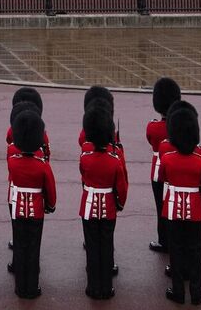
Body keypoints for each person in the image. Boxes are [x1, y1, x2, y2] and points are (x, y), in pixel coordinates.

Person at [158, 102, 201, 305]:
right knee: (195, 251)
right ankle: (197, 293)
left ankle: (178, 291)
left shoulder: (167, 159)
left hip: (173, 210)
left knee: (176, 250)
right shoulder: (200, 160)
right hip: (195, 212)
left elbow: (163, 178)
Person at [78, 106, 129, 300]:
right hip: (108, 207)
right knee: (106, 246)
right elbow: (121, 187)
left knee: (92, 247)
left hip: (89, 205)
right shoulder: (114, 160)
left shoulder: (85, 156)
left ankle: (93, 287)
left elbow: (83, 175)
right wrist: (120, 203)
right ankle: (106, 288)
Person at [6, 109, 55, 298]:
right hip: (36, 211)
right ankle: (31, 288)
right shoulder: (42, 164)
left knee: (19, 246)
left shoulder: (13, 161)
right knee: (33, 248)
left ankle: (20, 287)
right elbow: (50, 189)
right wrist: (50, 205)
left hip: (17, 208)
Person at [145, 77, 181, 253]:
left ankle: (163, 239)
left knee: (161, 206)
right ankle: (175, 240)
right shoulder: (178, 126)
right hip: (176, 169)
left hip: (158, 170)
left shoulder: (153, 127)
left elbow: (151, 140)